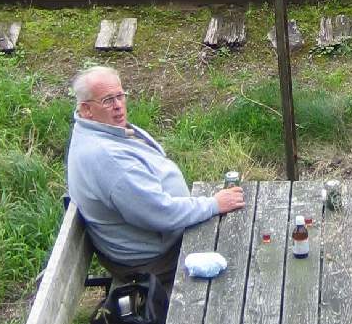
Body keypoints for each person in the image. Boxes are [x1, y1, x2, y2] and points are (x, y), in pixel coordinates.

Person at [67, 65, 244, 276]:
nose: (118, 106)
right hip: (153, 258)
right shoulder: (108, 159)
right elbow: (160, 213)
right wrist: (213, 204)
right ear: (86, 109)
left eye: (120, 96)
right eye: (107, 100)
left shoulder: (96, 130)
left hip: (160, 235)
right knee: (240, 252)